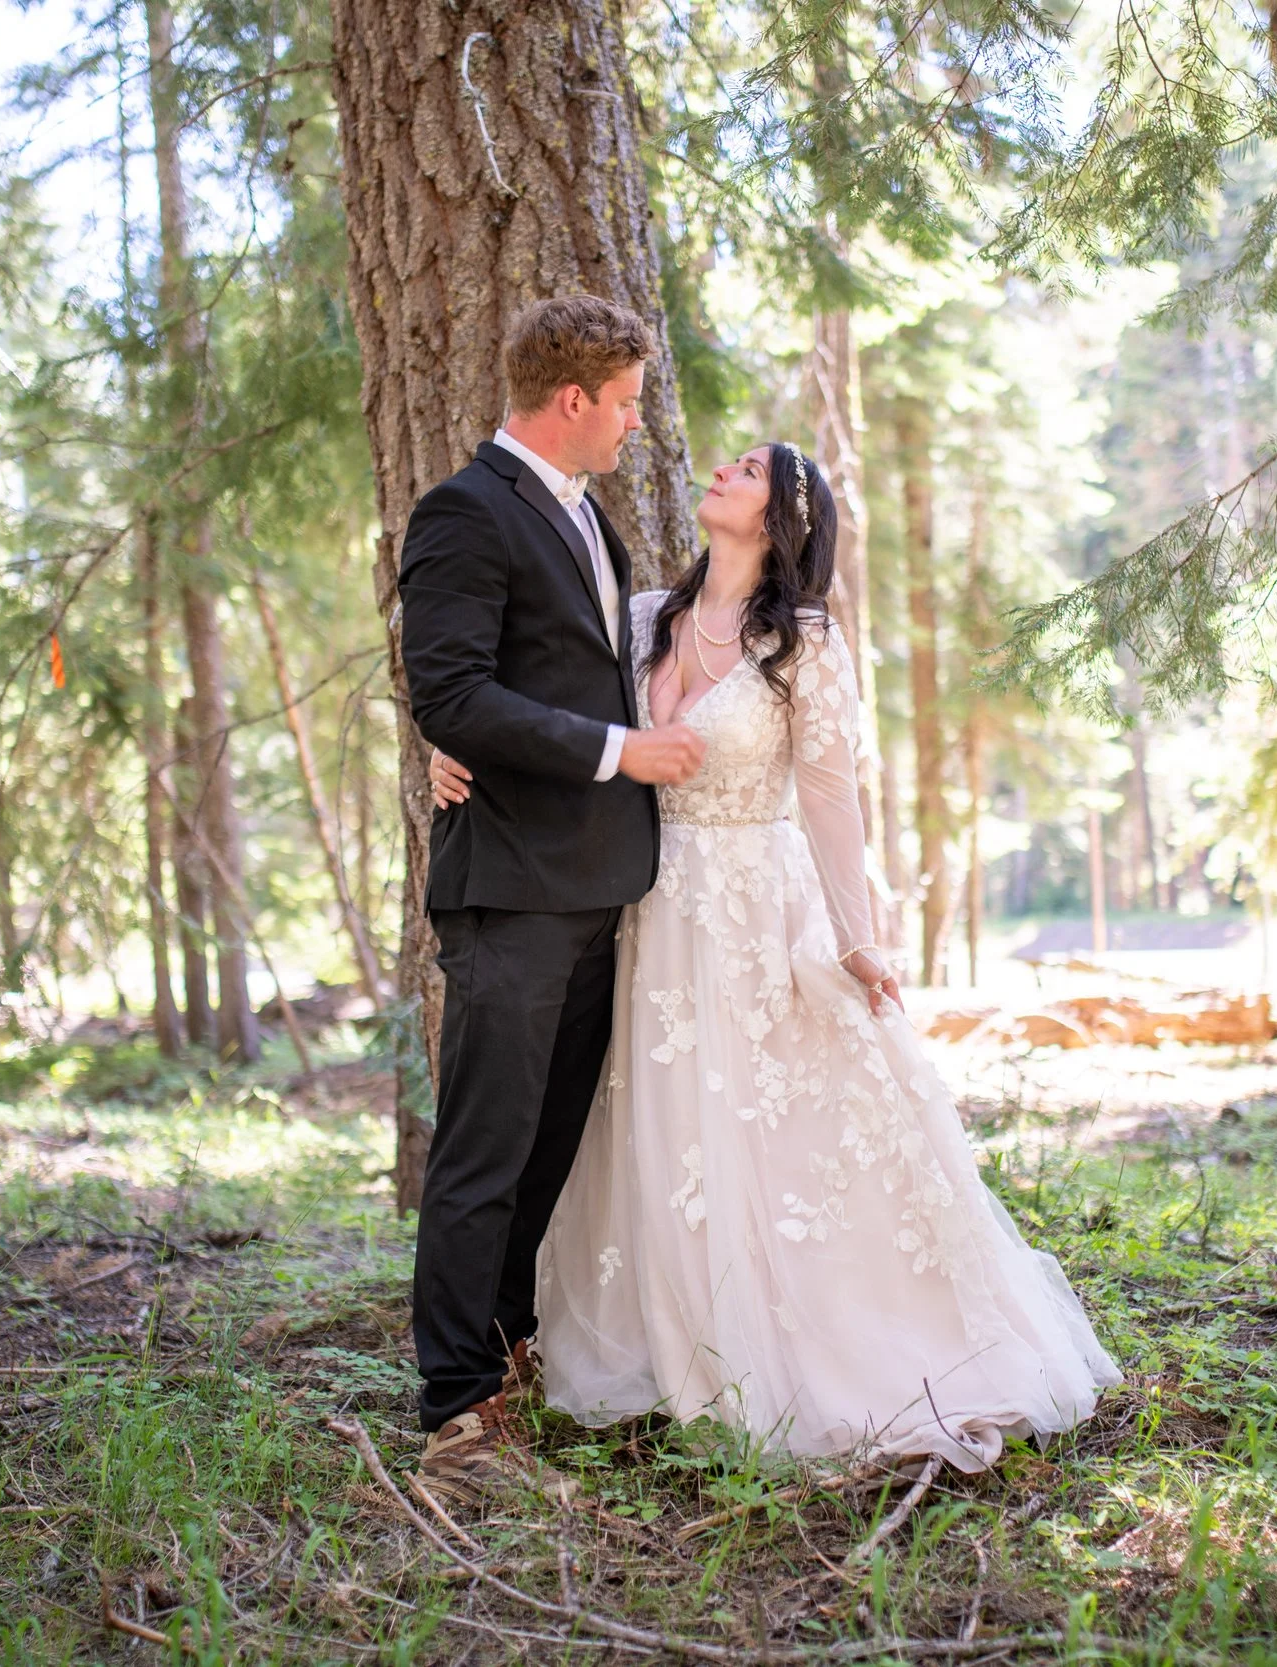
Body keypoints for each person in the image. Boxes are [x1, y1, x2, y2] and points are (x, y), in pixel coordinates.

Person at [428, 439, 1121, 1476]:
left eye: (747, 470)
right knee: (651, 1130)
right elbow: (545, 711)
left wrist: (857, 934)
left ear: (783, 515)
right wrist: (457, 741)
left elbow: (832, 798)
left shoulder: (803, 642)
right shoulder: (637, 617)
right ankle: (650, 1344)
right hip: (638, 909)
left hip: (757, 908)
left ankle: (805, 1343)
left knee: (773, 1131)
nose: (719, 472)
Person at [396, 295, 707, 1502]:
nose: (635, 424)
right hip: (513, 890)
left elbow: (535, 671)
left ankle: (510, 1355)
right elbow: (454, 695)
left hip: (596, 884)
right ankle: (455, 1410)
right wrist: (617, 753)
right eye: (624, 403)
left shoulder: (589, 514)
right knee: (484, 1148)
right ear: (571, 400)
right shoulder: (464, 512)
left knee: (546, 1152)